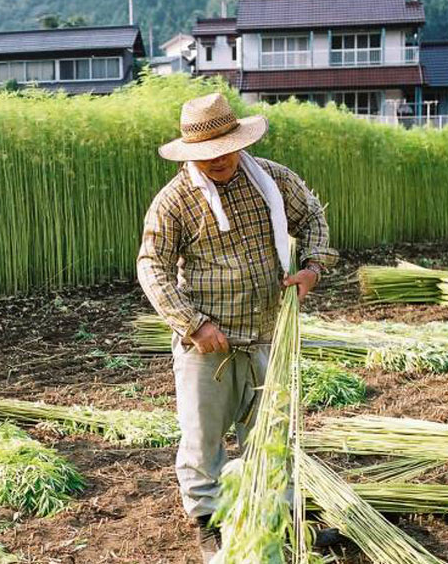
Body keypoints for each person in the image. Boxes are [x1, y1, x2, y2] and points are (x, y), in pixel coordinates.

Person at [136, 93, 338, 561]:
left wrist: (311, 268)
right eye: (207, 153)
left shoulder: (272, 180)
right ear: (191, 153)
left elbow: (312, 217)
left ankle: (279, 519)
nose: (218, 160)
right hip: (209, 346)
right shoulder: (174, 202)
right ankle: (208, 521)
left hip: (268, 334)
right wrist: (194, 325)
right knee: (203, 438)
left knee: (271, 435)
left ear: (239, 141)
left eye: (225, 149)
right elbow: (152, 267)